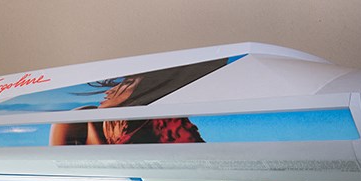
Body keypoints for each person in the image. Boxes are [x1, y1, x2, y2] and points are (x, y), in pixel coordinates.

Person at [49, 59, 227, 146]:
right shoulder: (79, 121)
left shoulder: (166, 127)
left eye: (127, 83)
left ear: (146, 91)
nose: (109, 91)